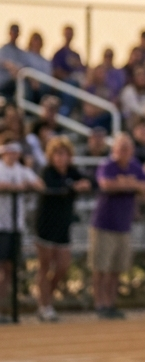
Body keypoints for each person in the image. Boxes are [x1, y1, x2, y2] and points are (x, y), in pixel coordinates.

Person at [90, 133, 145, 319]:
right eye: (121, 148)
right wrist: (129, 184)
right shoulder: (107, 165)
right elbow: (106, 185)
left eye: (127, 148)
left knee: (116, 268)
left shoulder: (135, 166)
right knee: (101, 267)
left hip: (123, 225)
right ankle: (99, 304)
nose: (124, 152)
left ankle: (110, 303)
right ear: (114, 149)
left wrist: (126, 184)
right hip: (104, 224)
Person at [34, 137, 91, 321]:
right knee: (45, 265)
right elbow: (55, 187)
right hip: (46, 224)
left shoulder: (72, 171)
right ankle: (44, 305)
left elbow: (88, 181)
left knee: (63, 265)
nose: (61, 158)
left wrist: (83, 184)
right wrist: (73, 187)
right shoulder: (47, 172)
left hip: (64, 225)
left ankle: (46, 299)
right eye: (57, 154)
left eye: (64, 153)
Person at [0, 138, 43, 316]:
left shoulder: (21, 170)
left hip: (15, 225)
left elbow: (40, 185)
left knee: (9, 267)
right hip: (1, 224)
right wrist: (16, 187)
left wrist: (25, 185)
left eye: (15, 151)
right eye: (9, 150)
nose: (13, 154)